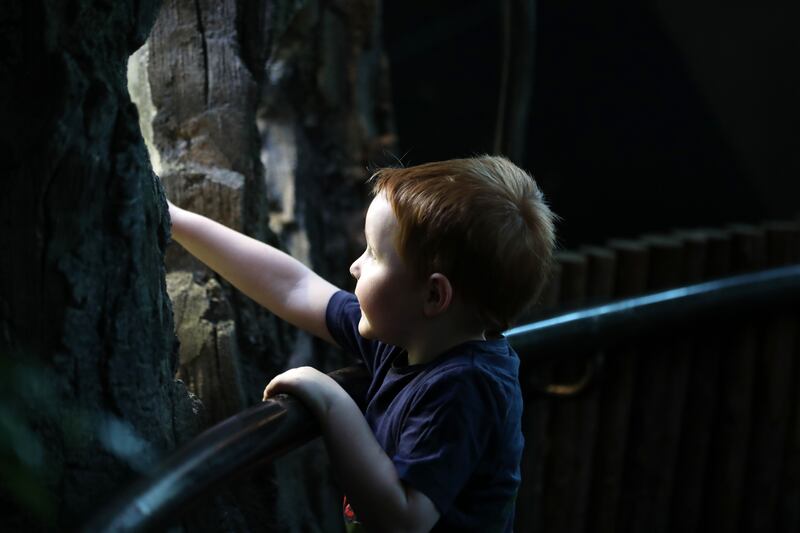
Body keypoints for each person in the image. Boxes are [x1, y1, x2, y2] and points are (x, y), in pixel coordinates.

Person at [168, 155, 556, 532]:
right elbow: (293, 286)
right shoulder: (412, 335)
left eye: (373, 253)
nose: (355, 266)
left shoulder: (464, 387)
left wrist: (331, 400)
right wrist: (174, 219)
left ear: (434, 296)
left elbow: (404, 520)